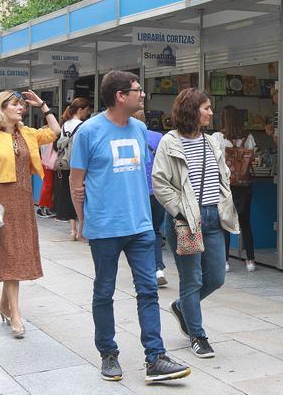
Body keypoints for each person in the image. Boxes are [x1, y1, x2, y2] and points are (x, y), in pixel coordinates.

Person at [69, 71, 191, 383]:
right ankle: (108, 353)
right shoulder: (89, 132)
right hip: (105, 227)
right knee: (104, 291)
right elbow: (76, 182)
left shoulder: (139, 128)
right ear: (121, 96)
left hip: (140, 226)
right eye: (138, 90)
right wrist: (83, 221)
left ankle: (155, 357)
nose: (143, 95)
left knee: (148, 290)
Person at [152, 88, 240, 359]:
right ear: (192, 110)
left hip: (213, 217)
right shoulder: (170, 142)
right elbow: (160, 183)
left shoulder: (212, 140)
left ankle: (181, 307)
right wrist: (180, 210)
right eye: (206, 108)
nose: (211, 112)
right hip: (184, 220)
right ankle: (198, 336)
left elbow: (221, 175)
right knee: (192, 279)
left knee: (215, 277)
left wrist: (225, 201)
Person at [0, 90, 60, 339]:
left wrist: (42, 105)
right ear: (1, 109)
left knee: (18, 254)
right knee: (9, 255)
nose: (20, 108)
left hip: (23, 200)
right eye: (14, 105)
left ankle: (3, 305)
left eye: (21, 105)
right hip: (1, 200)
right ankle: (16, 314)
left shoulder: (27, 133)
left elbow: (54, 131)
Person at [212, 105, 257, 272]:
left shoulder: (217, 137)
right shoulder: (249, 137)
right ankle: (250, 260)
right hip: (244, 185)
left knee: (224, 222)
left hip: (225, 184)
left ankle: (224, 261)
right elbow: (252, 159)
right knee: (245, 222)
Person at [133, 109, 168, 286]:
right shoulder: (158, 137)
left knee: (137, 232)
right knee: (155, 230)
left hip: (136, 192)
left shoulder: (129, 137)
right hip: (157, 191)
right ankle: (157, 268)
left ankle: (144, 269)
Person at [53, 97, 90, 240]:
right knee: (81, 196)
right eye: (87, 110)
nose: (87, 114)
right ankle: (82, 228)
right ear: (80, 110)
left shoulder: (64, 125)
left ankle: (73, 230)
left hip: (64, 164)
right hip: (78, 165)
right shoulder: (83, 126)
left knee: (69, 196)